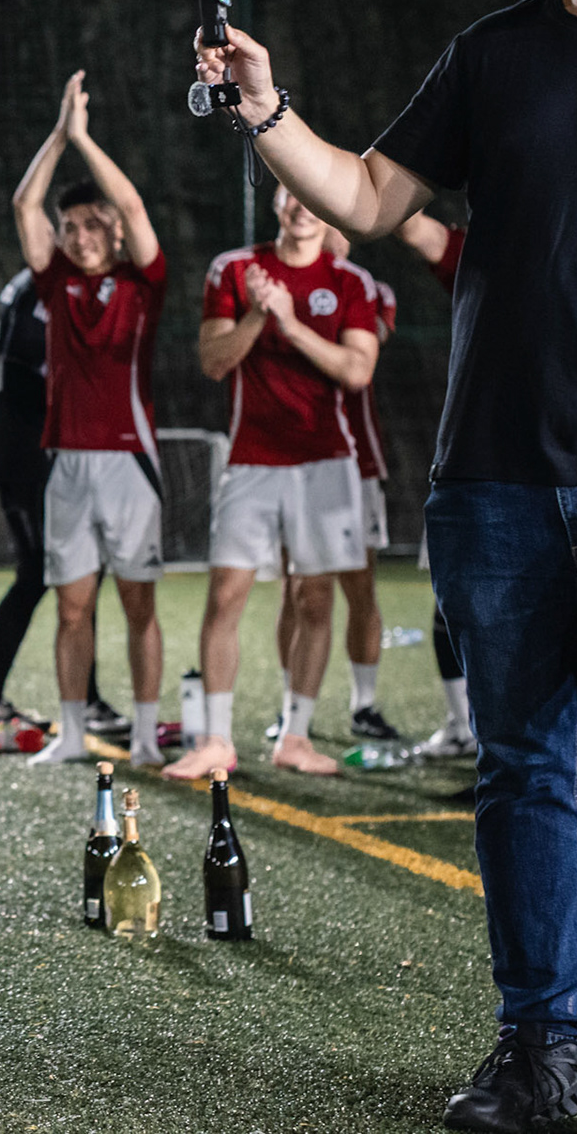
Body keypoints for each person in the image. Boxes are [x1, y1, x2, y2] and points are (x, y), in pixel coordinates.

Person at [195, 0, 577, 1126]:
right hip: (494, 464)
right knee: (520, 760)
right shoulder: (491, 52)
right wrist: (267, 110)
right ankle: (540, 1049)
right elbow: (373, 196)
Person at [163, 187, 379, 782]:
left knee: (314, 598)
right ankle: (215, 741)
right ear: (278, 202)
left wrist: (290, 321)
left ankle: (296, 736)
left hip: (325, 461)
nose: (305, 206)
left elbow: (357, 370)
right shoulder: (234, 270)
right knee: (226, 596)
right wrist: (260, 314)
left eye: (316, 197)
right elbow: (213, 360)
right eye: (293, 195)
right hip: (251, 461)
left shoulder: (351, 282)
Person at [7, 69, 165, 767]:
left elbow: (129, 202)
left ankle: (144, 736)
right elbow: (25, 203)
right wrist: (58, 134)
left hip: (130, 464)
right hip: (66, 463)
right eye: (69, 227)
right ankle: (71, 736)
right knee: (72, 607)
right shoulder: (57, 281)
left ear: (117, 234)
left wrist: (86, 140)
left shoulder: (144, 282)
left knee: (137, 606)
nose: (79, 234)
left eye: (92, 224)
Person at [266, 232, 402, 745]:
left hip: (355, 461)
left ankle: (364, 705)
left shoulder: (366, 289)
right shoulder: (269, 288)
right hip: (287, 458)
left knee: (359, 584)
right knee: (296, 590)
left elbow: (365, 351)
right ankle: (291, 708)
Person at [0, 267, 107, 730]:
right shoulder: (37, 290)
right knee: (35, 575)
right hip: (28, 461)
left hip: (56, 459)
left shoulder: (55, 288)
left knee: (84, 577)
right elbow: (18, 376)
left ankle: (87, 700)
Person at [393, 212, 476, 760]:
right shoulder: (485, 253)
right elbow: (412, 226)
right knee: (451, 601)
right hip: (484, 458)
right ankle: (463, 724)